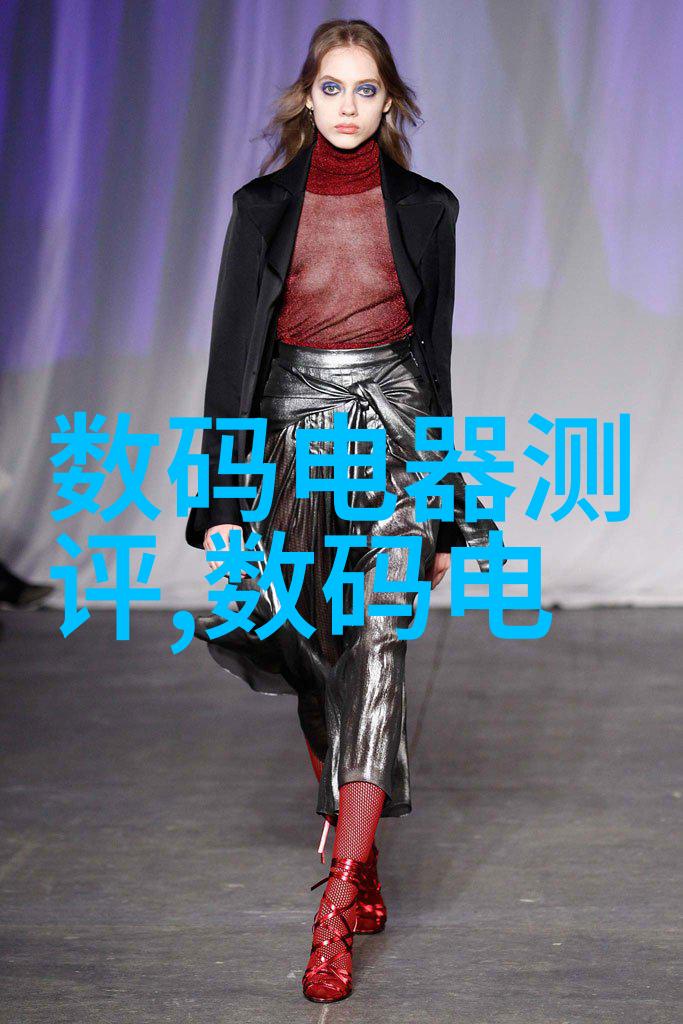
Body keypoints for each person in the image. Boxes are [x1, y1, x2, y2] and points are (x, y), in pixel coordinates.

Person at [185, 19, 501, 1004]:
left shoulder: (429, 209)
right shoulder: (260, 208)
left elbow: (434, 363)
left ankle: (334, 905)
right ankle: (360, 860)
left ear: (389, 101)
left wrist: (444, 502)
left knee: (379, 645)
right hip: (291, 441)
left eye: (367, 89)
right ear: (305, 97)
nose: (349, 106)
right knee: (317, 658)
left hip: (396, 436)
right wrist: (222, 499)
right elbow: (232, 360)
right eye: (333, 88)